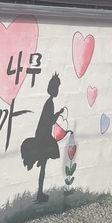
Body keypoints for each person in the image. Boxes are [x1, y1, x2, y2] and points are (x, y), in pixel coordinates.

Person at [20, 73, 64, 203]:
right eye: (56, 88)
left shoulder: (49, 103)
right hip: (43, 137)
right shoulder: (49, 103)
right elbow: (49, 121)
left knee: (43, 167)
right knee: (43, 167)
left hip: (43, 135)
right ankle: (40, 193)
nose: (57, 90)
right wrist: (58, 114)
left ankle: (40, 192)